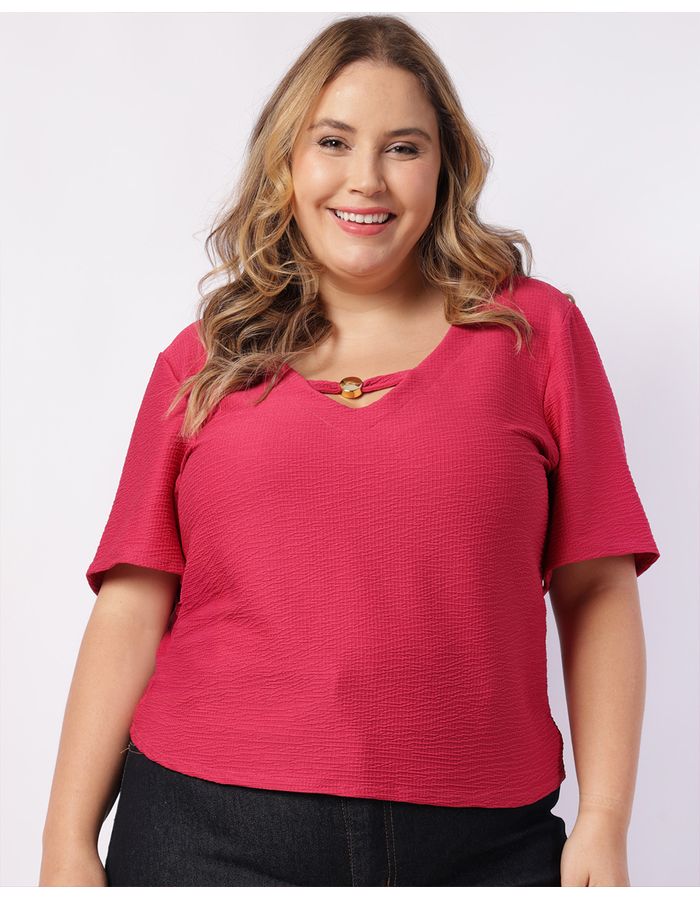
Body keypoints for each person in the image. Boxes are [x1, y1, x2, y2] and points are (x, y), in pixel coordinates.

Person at [39, 14, 660, 888]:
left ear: (444, 167)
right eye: (333, 141)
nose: (366, 178)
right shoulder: (203, 361)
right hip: (203, 830)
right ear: (287, 161)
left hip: (484, 842)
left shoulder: (536, 333)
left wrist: (604, 822)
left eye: (403, 147)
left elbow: (597, 588)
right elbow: (133, 604)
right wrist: (65, 839)